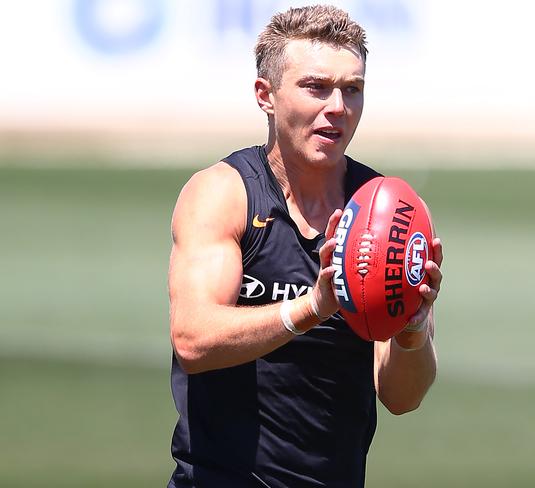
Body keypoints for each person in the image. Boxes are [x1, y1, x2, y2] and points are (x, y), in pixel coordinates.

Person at [167, 5, 443, 487]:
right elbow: (193, 338)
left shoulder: (388, 212)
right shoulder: (224, 194)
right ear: (265, 95)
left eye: (352, 89)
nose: (338, 106)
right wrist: (312, 306)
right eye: (316, 87)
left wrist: (411, 326)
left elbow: (402, 396)